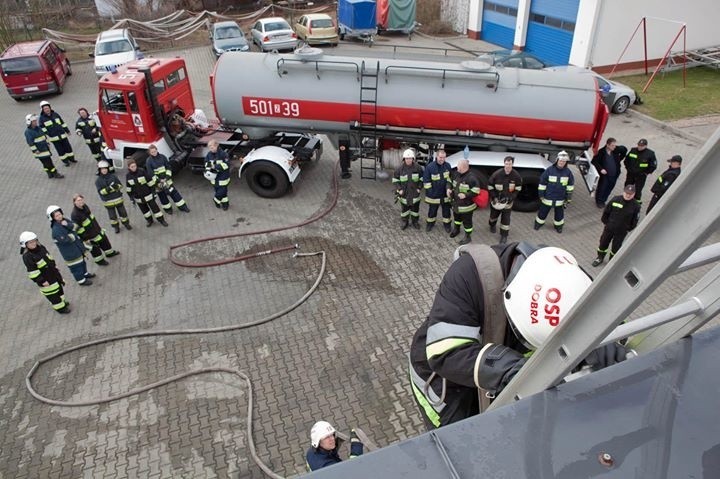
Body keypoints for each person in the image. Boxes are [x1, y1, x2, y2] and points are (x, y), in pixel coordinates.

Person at [409, 243, 629, 430]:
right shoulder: (468, 275)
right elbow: (446, 353)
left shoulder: (564, 274)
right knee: (457, 443)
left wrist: (602, 338)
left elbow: (599, 308)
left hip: (493, 371)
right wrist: (516, 371)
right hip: (445, 383)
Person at [20, 231, 70, 314]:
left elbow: (49, 257)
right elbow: (33, 272)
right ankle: (60, 308)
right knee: (53, 296)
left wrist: (55, 266)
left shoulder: (41, 247)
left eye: (34, 241)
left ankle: (62, 302)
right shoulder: (27, 257)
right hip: (46, 279)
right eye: (30, 242)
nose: (33, 243)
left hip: (53, 274)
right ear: (25, 245)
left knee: (59, 290)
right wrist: (42, 281)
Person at [592, 185, 641, 267]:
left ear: (634, 194)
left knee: (616, 247)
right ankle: (600, 257)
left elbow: (635, 220)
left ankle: (612, 262)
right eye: (626, 193)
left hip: (621, 232)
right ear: (623, 192)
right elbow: (606, 212)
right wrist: (607, 223)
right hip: (609, 228)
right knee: (603, 243)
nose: (628, 195)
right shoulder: (615, 199)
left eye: (630, 194)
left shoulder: (636, 206)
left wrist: (627, 229)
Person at [47, 205, 94, 286]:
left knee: (82, 263)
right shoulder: (56, 230)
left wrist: (67, 225)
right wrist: (73, 234)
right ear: (52, 218)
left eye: (60, 214)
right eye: (56, 216)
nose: (59, 216)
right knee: (76, 267)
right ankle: (81, 281)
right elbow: (66, 240)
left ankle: (85, 274)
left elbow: (76, 227)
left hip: (77, 248)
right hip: (71, 253)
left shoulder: (65, 221)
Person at [71, 193, 119, 266]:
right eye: (78, 200)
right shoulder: (75, 214)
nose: (80, 202)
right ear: (74, 202)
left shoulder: (85, 206)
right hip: (89, 235)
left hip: (96, 229)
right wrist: (86, 238)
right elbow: (79, 229)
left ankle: (109, 253)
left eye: (81, 199)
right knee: (95, 249)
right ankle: (100, 261)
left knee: (105, 241)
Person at [534, 151, 574, 233]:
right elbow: (542, 183)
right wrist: (541, 195)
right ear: (557, 160)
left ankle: (558, 226)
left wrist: (568, 198)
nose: (561, 162)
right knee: (542, 212)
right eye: (560, 161)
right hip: (548, 197)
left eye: (563, 161)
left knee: (559, 215)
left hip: (560, 198)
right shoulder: (549, 170)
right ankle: (538, 223)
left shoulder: (568, 173)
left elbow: (570, 187)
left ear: (566, 162)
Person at [145, 144, 190, 214]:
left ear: (157, 150)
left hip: (167, 180)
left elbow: (168, 167)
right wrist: (159, 181)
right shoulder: (148, 161)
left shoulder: (163, 157)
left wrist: (167, 177)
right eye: (152, 152)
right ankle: (168, 209)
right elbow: (151, 173)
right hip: (158, 183)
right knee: (162, 196)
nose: (154, 153)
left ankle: (183, 206)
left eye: (155, 151)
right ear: (150, 153)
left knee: (174, 193)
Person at [488, 156, 522, 244]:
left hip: (508, 203)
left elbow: (518, 188)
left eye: (510, 164)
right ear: (504, 164)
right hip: (497, 201)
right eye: (506, 164)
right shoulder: (497, 174)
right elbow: (490, 186)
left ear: (512, 164)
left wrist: (511, 197)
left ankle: (504, 236)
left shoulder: (516, 176)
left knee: (505, 220)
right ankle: (492, 225)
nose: (508, 166)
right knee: (493, 216)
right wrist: (494, 197)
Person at [125, 158, 169, 227]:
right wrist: (131, 197)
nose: (134, 168)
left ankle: (161, 220)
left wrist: (153, 192)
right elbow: (128, 188)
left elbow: (150, 182)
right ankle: (149, 221)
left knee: (156, 209)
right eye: (132, 167)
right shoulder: (128, 176)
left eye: (135, 166)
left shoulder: (142, 171)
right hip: (138, 198)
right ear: (129, 167)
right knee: (145, 211)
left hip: (148, 195)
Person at [448, 159, 481, 245]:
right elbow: (449, 181)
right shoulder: (456, 174)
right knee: (457, 219)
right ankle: (456, 229)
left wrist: (466, 195)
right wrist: (449, 189)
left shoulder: (472, 178)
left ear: (463, 167)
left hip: (466, 206)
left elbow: (476, 191)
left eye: (458, 166)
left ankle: (468, 236)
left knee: (467, 222)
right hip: (456, 204)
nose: (457, 167)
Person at [95, 160, 131, 233]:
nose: (104, 170)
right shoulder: (98, 181)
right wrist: (110, 188)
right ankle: (116, 227)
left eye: (105, 168)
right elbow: (101, 192)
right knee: (112, 217)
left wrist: (115, 187)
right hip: (108, 202)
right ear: (99, 170)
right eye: (102, 169)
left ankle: (126, 224)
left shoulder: (113, 177)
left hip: (118, 200)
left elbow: (120, 186)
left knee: (123, 213)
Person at [24, 113, 64, 179]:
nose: (35, 122)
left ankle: (49, 173)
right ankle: (55, 173)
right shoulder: (28, 132)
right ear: (29, 122)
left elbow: (44, 136)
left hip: (45, 148)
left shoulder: (39, 128)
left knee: (46, 163)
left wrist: (47, 143)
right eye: (33, 121)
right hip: (39, 151)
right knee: (48, 162)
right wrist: (35, 150)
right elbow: (30, 143)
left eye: (35, 121)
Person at [392, 148, 424, 230]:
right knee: (404, 210)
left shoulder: (418, 168)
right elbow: (395, 180)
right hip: (404, 194)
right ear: (404, 159)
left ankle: (415, 222)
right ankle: (405, 221)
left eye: (410, 158)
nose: (408, 160)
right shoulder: (399, 169)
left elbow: (422, 179)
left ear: (413, 158)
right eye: (407, 158)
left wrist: (419, 188)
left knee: (415, 210)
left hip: (415, 194)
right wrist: (399, 189)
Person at [423, 149, 453, 232]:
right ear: (437, 156)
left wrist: (449, 189)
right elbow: (426, 182)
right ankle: (430, 224)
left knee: (446, 212)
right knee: (432, 211)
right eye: (440, 157)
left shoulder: (448, 166)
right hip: (434, 195)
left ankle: (447, 225)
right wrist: (431, 193)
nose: (442, 159)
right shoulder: (430, 167)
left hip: (445, 195)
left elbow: (450, 179)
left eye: (444, 157)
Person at [39, 100, 76, 166]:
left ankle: (71, 158)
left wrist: (67, 131)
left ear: (50, 108)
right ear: (42, 110)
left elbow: (62, 123)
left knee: (68, 147)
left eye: (47, 108)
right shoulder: (42, 118)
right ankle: (65, 161)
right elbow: (42, 128)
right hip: (54, 138)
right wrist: (49, 133)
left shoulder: (55, 114)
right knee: (60, 150)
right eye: (45, 109)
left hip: (62, 135)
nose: (47, 110)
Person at [592, 138, 627, 208]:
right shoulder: (601, 152)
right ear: (607, 145)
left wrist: (620, 158)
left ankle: (603, 200)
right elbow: (594, 161)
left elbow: (624, 149)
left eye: (615, 145)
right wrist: (601, 169)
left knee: (610, 188)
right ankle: (599, 201)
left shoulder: (616, 150)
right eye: (612, 145)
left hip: (614, 175)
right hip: (605, 175)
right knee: (602, 188)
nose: (614, 147)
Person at [624, 138, 657, 204]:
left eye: (641, 146)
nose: (639, 147)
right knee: (627, 186)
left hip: (641, 176)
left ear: (645, 146)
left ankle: (636, 202)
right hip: (631, 174)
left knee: (638, 189)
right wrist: (628, 169)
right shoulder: (633, 150)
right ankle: (625, 199)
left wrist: (646, 173)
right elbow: (626, 160)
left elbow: (653, 166)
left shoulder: (650, 154)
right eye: (639, 145)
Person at [204, 139, 231, 210]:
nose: (210, 149)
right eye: (209, 148)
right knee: (222, 193)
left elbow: (227, 165)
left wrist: (215, 166)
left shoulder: (223, 154)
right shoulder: (209, 154)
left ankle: (216, 200)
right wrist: (208, 168)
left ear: (216, 145)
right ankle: (225, 204)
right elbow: (206, 162)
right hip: (214, 178)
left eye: (212, 147)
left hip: (223, 177)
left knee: (222, 191)